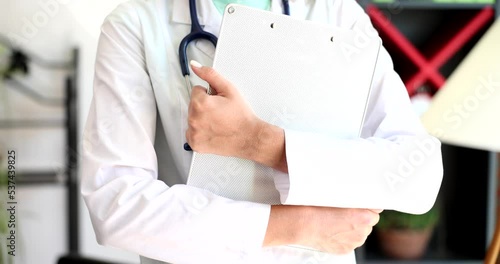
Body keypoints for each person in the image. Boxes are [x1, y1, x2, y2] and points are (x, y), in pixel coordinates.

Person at [80, 0, 443, 264]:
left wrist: (260, 142)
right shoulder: (136, 24)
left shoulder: (336, 15)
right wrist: (298, 225)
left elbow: (418, 174)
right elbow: (116, 202)